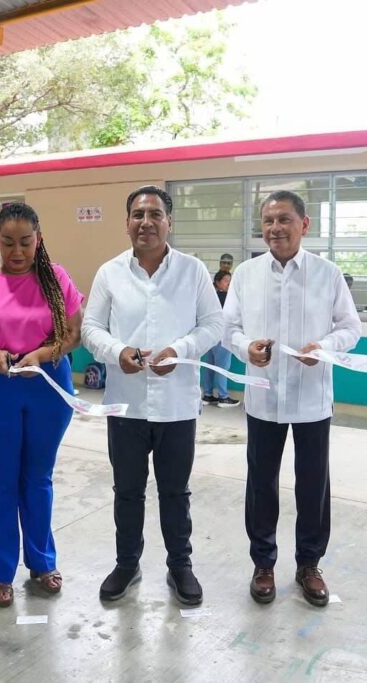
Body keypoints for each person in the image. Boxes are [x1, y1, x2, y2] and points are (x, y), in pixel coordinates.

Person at [82, 185, 223, 606]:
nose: (146, 222)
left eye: (155, 214)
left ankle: (180, 565)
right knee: (127, 490)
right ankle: (127, 563)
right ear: (127, 223)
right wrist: (117, 351)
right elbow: (92, 329)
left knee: (175, 492)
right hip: (125, 403)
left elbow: (213, 325)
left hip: (177, 403)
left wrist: (178, 351)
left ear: (169, 222)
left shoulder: (193, 270)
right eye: (138, 214)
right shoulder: (109, 272)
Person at [224, 190, 361, 607]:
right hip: (264, 398)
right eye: (268, 221)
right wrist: (245, 348)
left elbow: (351, 328)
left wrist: (324, 346)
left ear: (305, 224)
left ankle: (309, 564)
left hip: (311, 400)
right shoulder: (247, 274)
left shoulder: (327, 273)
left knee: (313, 485)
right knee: (261, 483)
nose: (275, 228)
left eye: (284, 219)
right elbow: (228, 327)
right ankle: (263, 563)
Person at [0, 202, 84, 608]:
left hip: (46, 385)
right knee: (0, 480)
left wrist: (42, 355)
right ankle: (1, 572)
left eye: (26, 242)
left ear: (38, 239)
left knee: (38, 478)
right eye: (8, 243)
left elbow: (73, 334)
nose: (18, 252)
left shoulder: (56, 278)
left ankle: (42, 562)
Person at [201, 270, 239, 408]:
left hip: (208, 336)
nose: (229, 284)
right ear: (217, 282)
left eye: (230, 281)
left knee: (209, 367)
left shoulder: (208, 296)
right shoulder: (226, 297)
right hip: (221, 336)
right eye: (226, 281)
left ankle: (207, 395)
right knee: (222, 367)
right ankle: (223, 397)